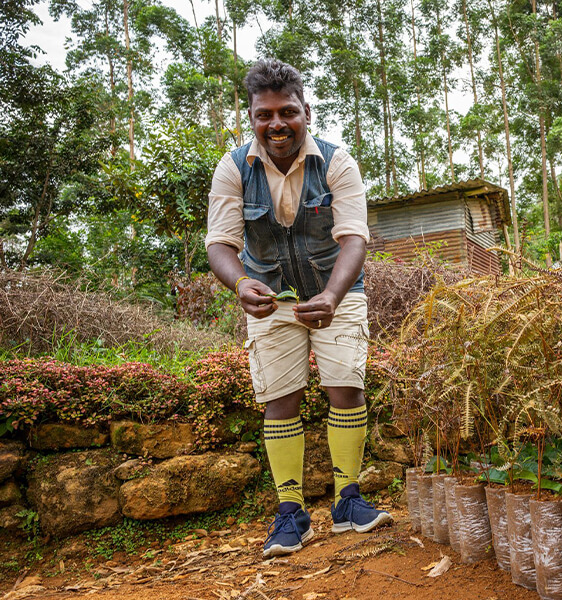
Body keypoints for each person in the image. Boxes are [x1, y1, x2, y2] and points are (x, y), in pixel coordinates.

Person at [205, 58, 392, 558]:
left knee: (344, 386)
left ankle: (347, 501)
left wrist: (332, 294)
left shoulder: (337, 161)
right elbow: (220, 244)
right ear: (252, 117)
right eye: (264, 115)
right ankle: (290, 512)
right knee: (279, 398)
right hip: (268, 298)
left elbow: (354, 238)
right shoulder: (233, 167)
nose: (276, 124)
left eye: (287, 112)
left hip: (337, 290)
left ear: (305, 111)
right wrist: (242, 283)